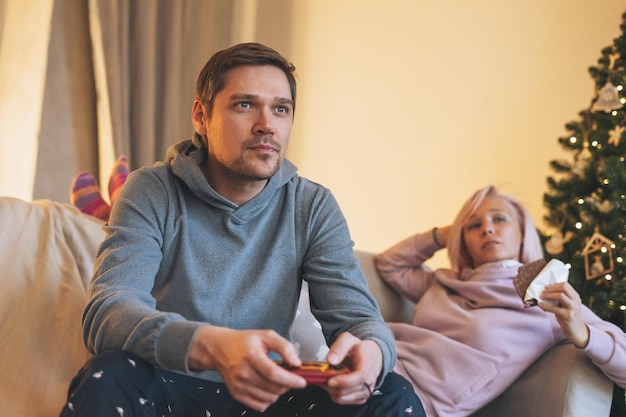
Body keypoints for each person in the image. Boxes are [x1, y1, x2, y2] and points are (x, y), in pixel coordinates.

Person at [58, 43, 424, 417]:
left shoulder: (312, 206)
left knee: (393, 394)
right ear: (201, 117)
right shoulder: (151, 189)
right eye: (245, 105)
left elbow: (360, 320)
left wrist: (375, 353)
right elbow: (109, 311)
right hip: (167, 387)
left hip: (267, 400)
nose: (267, 124)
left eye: (280, 109)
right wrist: (211, 345)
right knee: (108, 375)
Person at [375, 185, 626, 417]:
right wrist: (445, 235)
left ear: (521, 232)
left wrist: (583, 333)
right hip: (376, 360)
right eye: (473, 225)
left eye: (499, 219)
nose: (487, 228)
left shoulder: (544, 297)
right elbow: (389, 265)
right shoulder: (442, 282)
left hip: (406, 401)